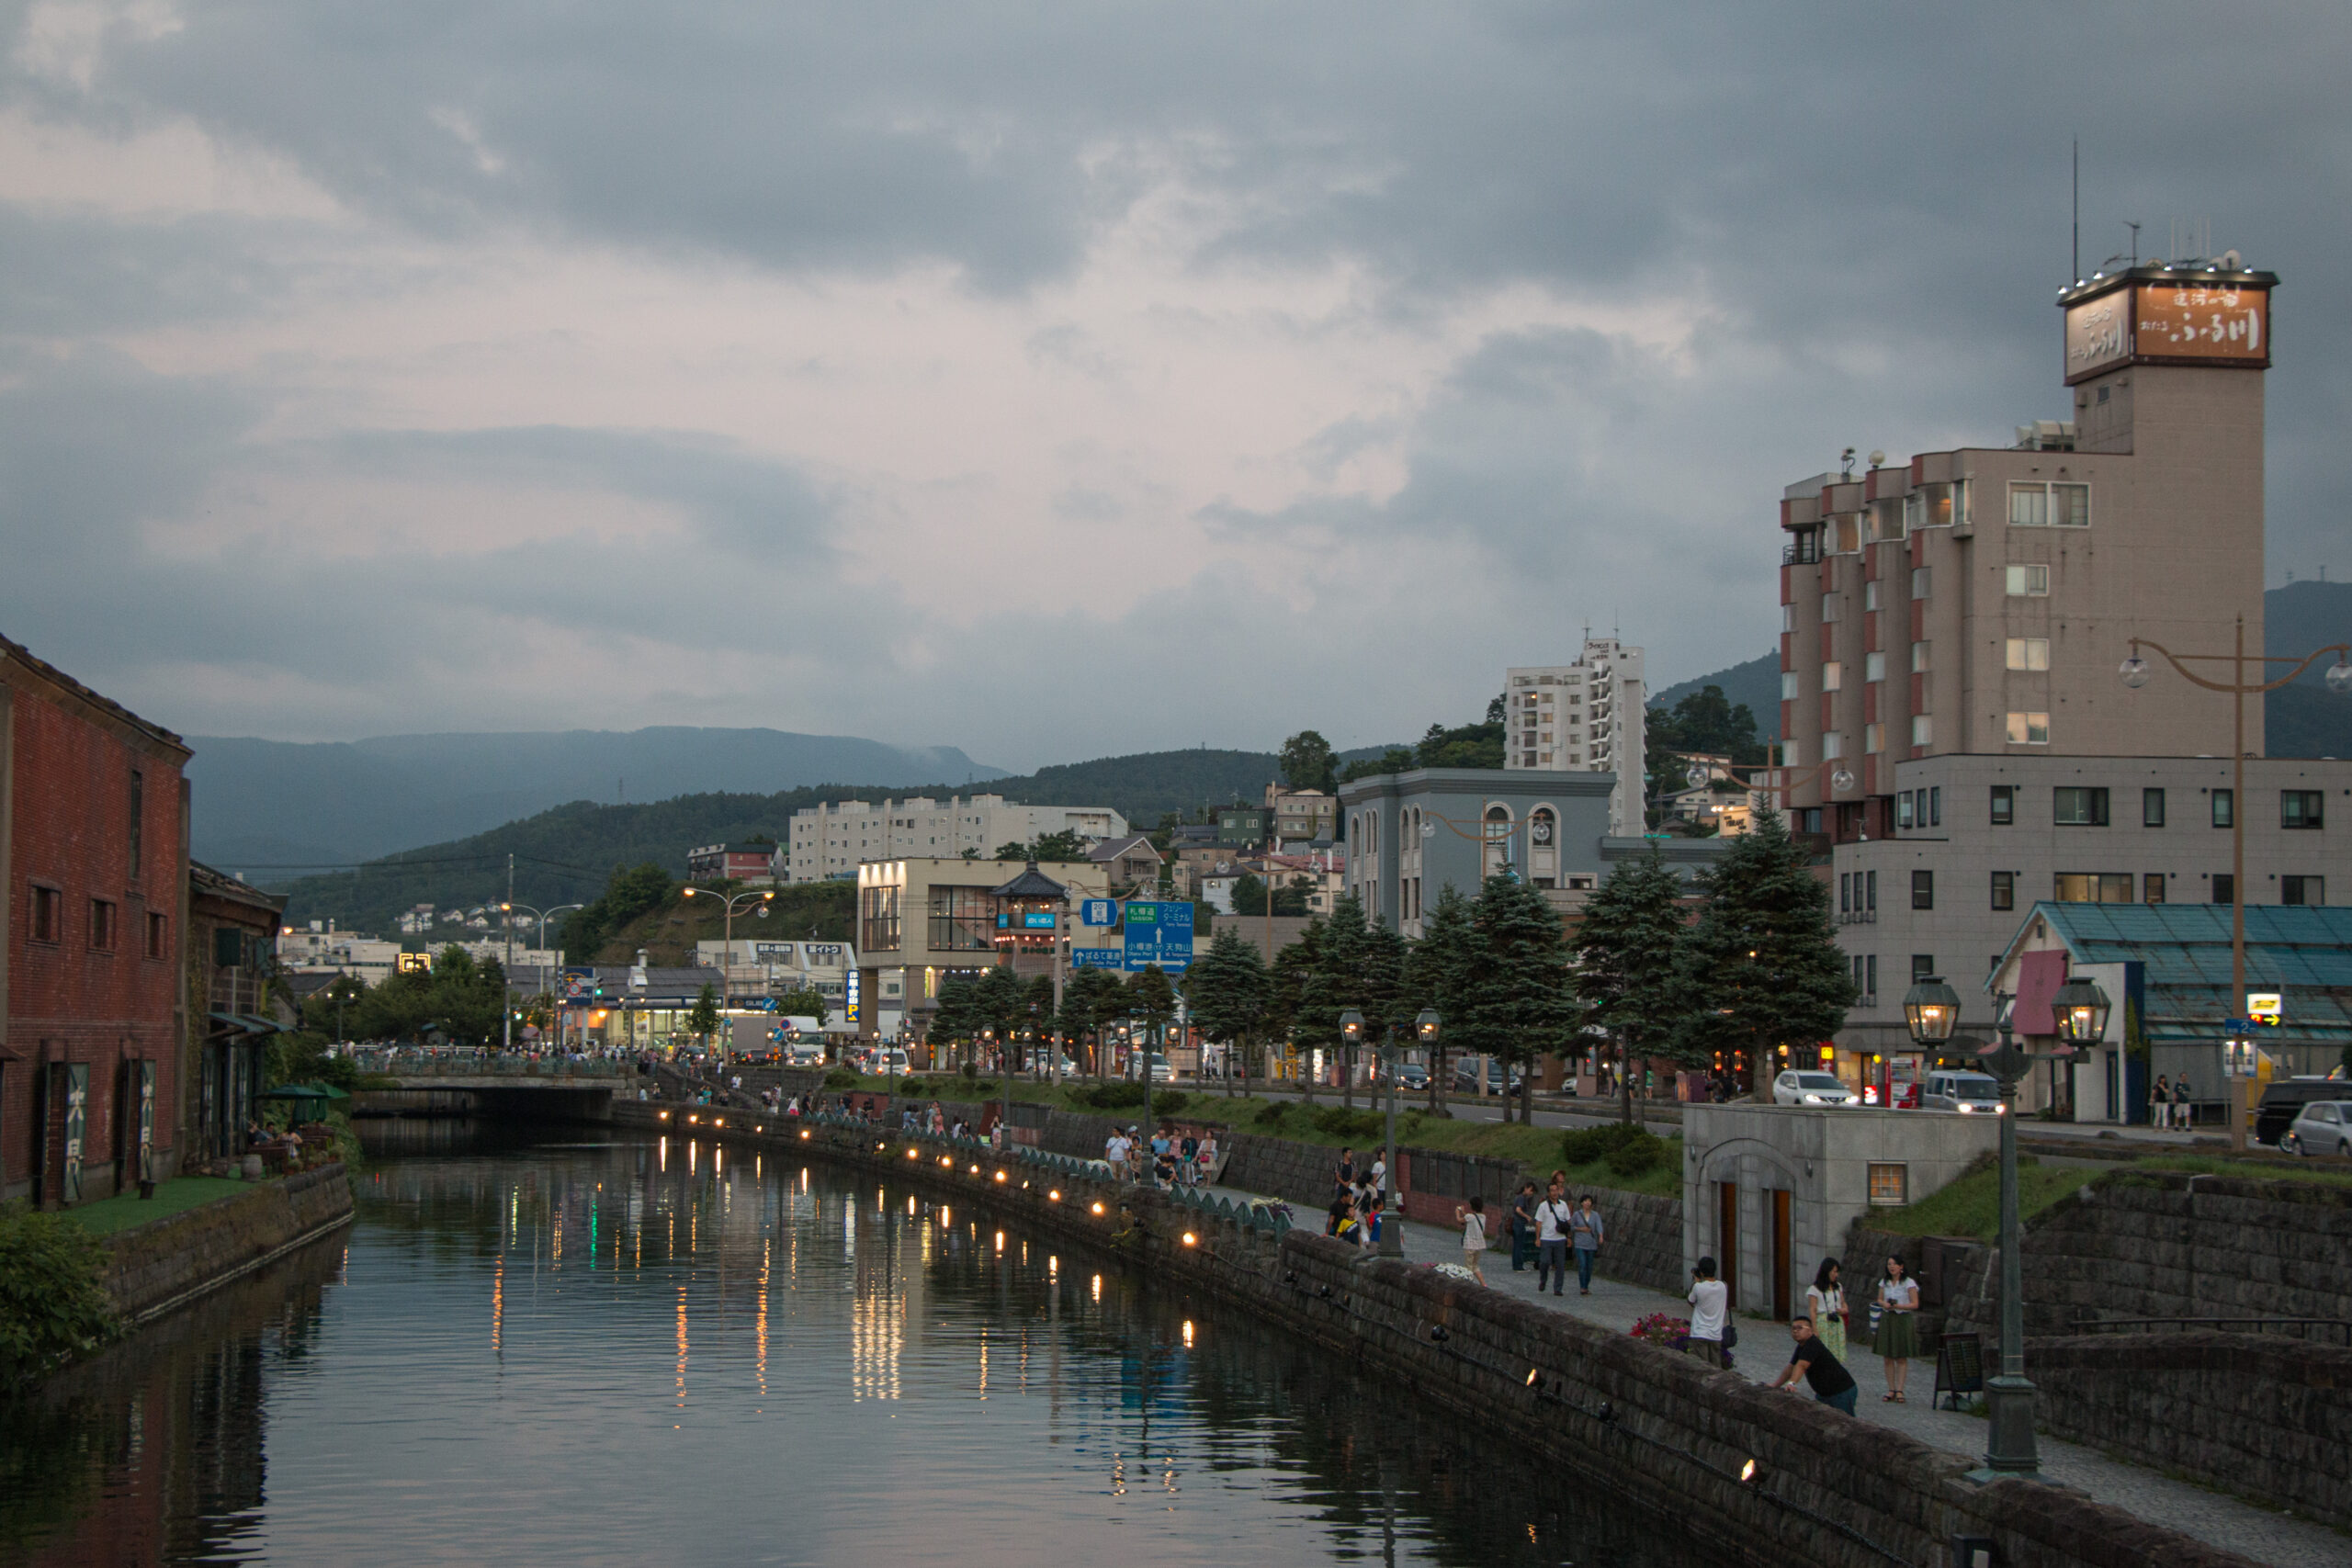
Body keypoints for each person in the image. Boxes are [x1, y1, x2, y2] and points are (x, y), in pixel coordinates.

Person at [1769, 1315, 1859, 1415]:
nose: (1795, 1331)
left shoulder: (1813, 1344)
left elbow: (1802, 1365)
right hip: (1824, 1393)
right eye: (1793, 1328)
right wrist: (1775, 1385)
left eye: (1800, 1328)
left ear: (1810, 1330)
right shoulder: (1802, 1346)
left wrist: (1792, 1383)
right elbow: (1791, 1367)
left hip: (1841, 1391)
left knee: (1844, 1421)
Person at [1875, 1257, 1918, 1402]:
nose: (1891, 1267)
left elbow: (1915, 1304)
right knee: (1887, 1356)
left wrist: (1899, 1305)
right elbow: (1879, 1299)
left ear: (1901, 1266)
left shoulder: (1908, 1282)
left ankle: (1900, 1389)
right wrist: (1884, 1304)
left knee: (1901, 1355)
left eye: (1894, 1264)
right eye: (1889, 1264)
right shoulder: (1885, 1282)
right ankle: (1891, 1389)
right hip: (1888, 1318)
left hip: (1902, 1318)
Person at [1686, 1258, 1729, 1368]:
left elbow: (1691, 1301)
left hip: (1700, 1332)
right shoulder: (1723, 1286)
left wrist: (1696, 1281)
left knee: (1702, 1368)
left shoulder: (1698, 1287)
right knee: (1716, 1368)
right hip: (1716, 1334)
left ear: (1701, 1271)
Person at [1533, 1182, 1574, 1296]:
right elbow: (1538, 1223)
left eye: (1556, 1190)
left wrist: (1569, 1237)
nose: (1555, 1193)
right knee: (1545, 1262)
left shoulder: (1563, 1205)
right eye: (1552, 1190)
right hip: (1546, 1238)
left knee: (1560, 1264)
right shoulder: (1543, 1206)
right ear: (1548, 1193)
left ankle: (1558, 1288)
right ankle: (1543, 1280)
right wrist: (1538, 1238)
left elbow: (1568, 1222)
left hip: (1560, 1239)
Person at [1806, 1258, 1849, 1361]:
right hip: (1823, 1321)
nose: (1836, 1275)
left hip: (1836, 1321)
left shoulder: (1838, 1286)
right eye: (1834, 1272)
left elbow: (1843, 1302)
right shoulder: (1814, 1289)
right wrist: (1814, 1329)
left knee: (1837, 1353)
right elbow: (1813, 1309)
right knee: (1823, 1352)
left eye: (1837, 1272)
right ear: (1826, 1271)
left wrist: (1844, 1309)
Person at [1568, 1193, 1606, 1296]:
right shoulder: (1577, 1214)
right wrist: (1581, 1229)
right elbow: (1572, 1227)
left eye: (1589, 1201)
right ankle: (1582, 1287)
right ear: (1581, 1203)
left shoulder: (1595, 1215)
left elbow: (1598, 1226)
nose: (1587, 1203)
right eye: (1585, 1201)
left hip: (1591, 1243)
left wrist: (1601, 1235)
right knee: (1583, 1265)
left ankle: (1586, 1285)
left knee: (1589, 1267)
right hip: (1580, 1243)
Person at [1454, 1197, 1488, 1285]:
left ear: (1471, 1206)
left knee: (1468, 1267)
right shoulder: (1483, 1217)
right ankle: (1483, 1284)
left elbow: (1460, 1220)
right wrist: (1464, 1212)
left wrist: (1458, 1212)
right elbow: (1471, 1218)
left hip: (1470, 1245)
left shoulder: (1469, 1217)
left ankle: (1469, 1285)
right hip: (1479, 1245)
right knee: (1475, 1266)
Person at [1508, 1180, 1539, 1272]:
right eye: (1531, 1190)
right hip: (1519, 1223)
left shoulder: (1518, 1197)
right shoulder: (1522, 1198)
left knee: (1517, 1245)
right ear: (1526, 1188)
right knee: (1519, 1245)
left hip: (1516, 1223)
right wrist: (1527, 1216)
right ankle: (1518, 1266)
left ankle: (1516, 1265)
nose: (1531, 1193)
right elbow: (1518, 1210)